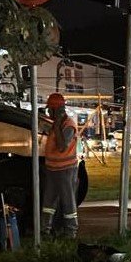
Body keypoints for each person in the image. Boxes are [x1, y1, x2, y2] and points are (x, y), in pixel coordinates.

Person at [41, 93, 80, 238]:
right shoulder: (55, 125)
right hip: (52, 169)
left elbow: (62, 146)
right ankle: (45, 229)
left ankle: (71, 231)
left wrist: (56, 125)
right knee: (48, 202)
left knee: (67, 201)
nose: (48, 112)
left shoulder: (68, 125)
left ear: (57, 110)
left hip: (66, 170)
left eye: (50, 110)